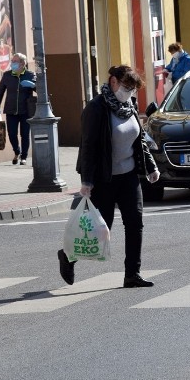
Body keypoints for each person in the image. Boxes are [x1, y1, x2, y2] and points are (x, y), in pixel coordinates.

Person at [58, 65, 161, 289]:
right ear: (113, 81)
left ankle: (132, 274)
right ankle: (68, 257)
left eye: (133, 89)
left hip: (129, 176)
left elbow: (139, 139)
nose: (130, 92)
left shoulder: (129, 105)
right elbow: (88, 147)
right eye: (126, 87)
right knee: (99, 231)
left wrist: (151, 167)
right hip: (105, 179)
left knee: (135, 223)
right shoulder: (96, 109)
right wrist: (86, 182)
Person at [0, 52, 36, 165]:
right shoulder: (7, 75)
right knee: (12, 134)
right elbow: (0, 91)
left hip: (25, 110)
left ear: (22, 63)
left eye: (15, 61)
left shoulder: (30, 75)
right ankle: (17, 151)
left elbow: (40, 90)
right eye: (12, 61)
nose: (12, 63)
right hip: (11, 109)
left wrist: (33, 85)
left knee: (25, 134)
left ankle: (24, 157)